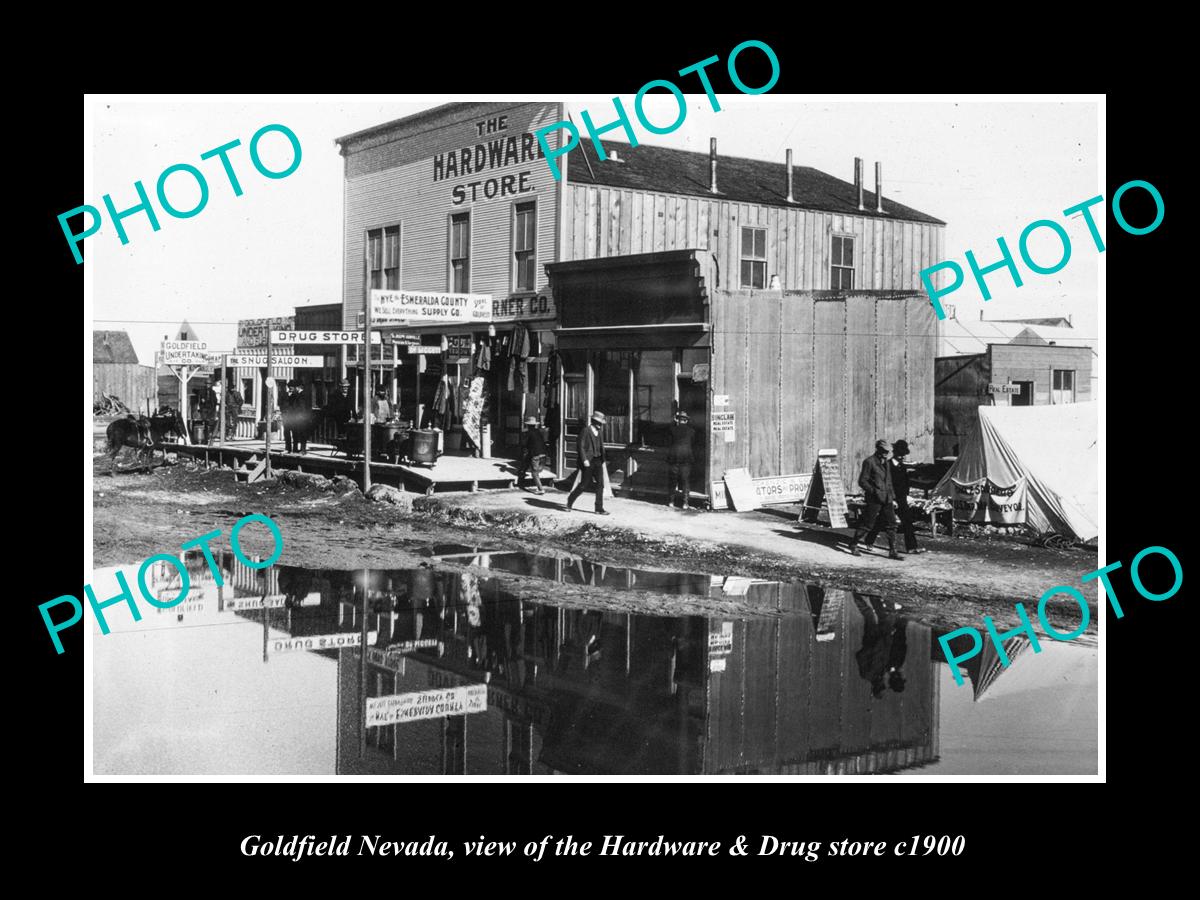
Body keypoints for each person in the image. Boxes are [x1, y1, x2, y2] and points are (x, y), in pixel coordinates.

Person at [867, 438, 925, 554]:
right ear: (895, 453)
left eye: (904, 455)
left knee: (907, 521)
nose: (902, 457)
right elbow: (886, 483)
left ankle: (911, 547)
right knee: (882, 520)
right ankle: (869, 540)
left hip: (901, 498)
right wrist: (891, 498)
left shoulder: (902, 467)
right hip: (890, 498)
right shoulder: (887, 465)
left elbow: (905, 483)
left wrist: (907, 496)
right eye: (900, 454)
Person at [849, 439, 900, 560]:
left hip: (887, 499)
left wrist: (893, 498)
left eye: (888, 451)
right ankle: (854, 544)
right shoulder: (869, 462)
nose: (886, 453)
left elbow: (889, 482)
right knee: (868, 524)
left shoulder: (887, 463)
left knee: (892, 524)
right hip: (874, 500)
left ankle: (893, 551)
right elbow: (862, 481)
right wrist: (874, 492)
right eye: (884, 451)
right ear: (878, 449)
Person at [852, 593, 908, 698]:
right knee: (885, 617)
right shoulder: (883, 672)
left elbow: (860, 656)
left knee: (868, 614)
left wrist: (872, 647)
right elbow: (886, 652)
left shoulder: (867, 675)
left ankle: (855, 592)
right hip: (884, 638)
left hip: (871, 638)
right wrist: (888, 639)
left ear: (875, 687)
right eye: (883, 686)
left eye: (881, 687)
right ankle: (873, 595)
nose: (883, 684)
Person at [566, 410, 610, 515]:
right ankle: (570, 501)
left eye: (601, 423)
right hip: (588, 461)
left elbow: (601, 445)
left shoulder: (599, 432)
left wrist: (603, 459)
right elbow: (580, 446)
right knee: (584, 485)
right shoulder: (585, 431)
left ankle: (599, 508)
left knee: (600, 484)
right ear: (594, 421)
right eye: (598, 423)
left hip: (598, 460)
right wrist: (584, 459)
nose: (600, 425)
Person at [666, 409, 696, 509]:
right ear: (686, 420)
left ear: (677, 420)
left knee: (672, 481)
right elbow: (693, 443)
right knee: (685, 481)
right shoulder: (691, 431)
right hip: (686, 459)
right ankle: (685, 503)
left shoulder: (672, 430)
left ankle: (671, 502)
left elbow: (668, 442)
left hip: (674, 458)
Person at [518, 415, 548, 494]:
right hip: (543, 454)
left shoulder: (527, 433)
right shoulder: (539, 432)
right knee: (536, 470)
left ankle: (541, 489)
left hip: (535, 455)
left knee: (534, 473)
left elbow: (524, 444)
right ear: (535, 425)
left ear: (527, 425)